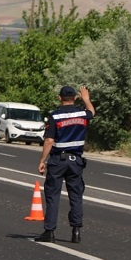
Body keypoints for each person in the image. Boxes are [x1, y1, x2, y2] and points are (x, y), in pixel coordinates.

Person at [35, 85, 94, 244]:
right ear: (75, 98)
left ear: (59, 98)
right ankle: (76, 232)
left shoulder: (55, 116)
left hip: (58, 160)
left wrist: (42, 161)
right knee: (76, 195)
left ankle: (49, 231)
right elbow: (92, 113)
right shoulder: (82, 113)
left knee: (53, 195)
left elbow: (49, 140)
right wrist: (87, 100)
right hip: (76, 161)